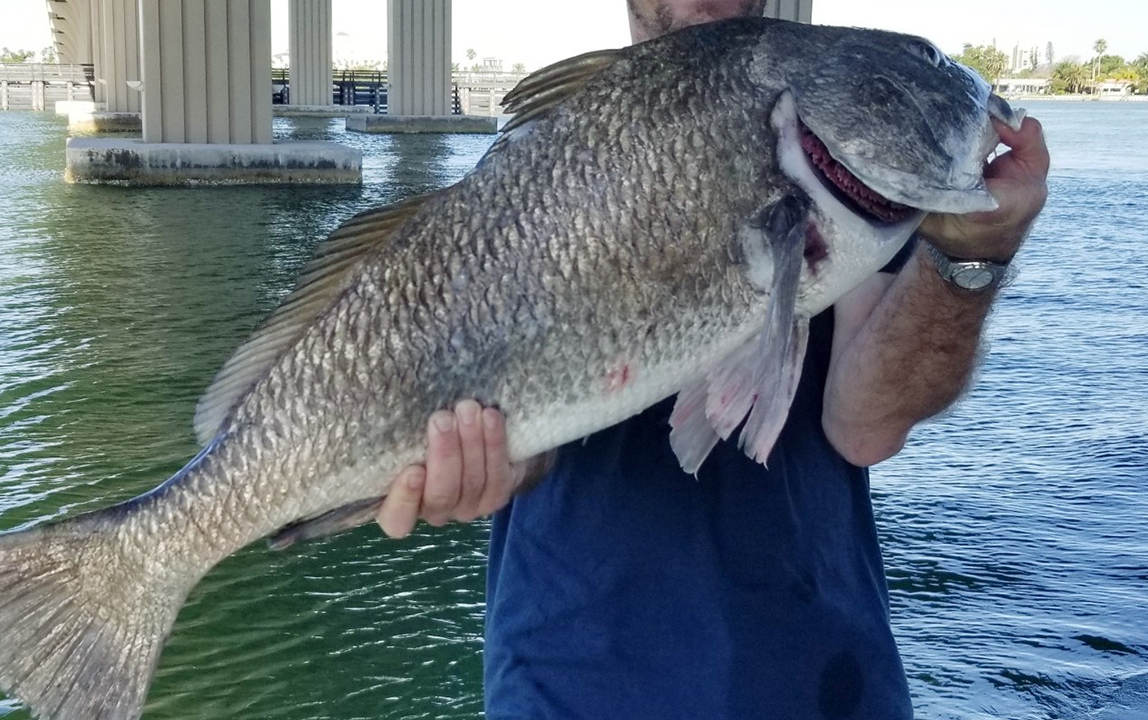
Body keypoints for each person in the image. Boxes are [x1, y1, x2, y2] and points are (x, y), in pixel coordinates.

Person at [376, 1, 1050, 717]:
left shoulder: (851, 162)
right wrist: (485, 466)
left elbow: (867, 428)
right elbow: (506, 418)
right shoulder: (533, 160)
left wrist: (972, 253)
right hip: (568, 684)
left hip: (821, 683)